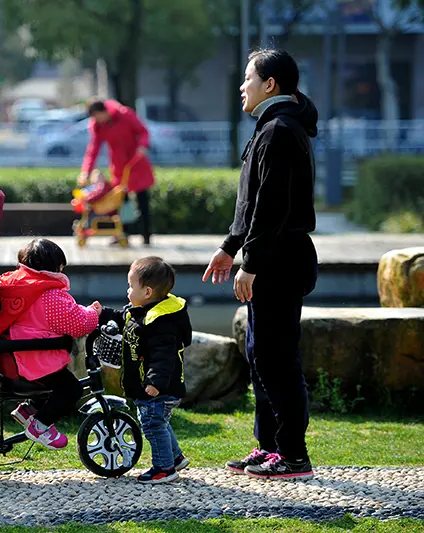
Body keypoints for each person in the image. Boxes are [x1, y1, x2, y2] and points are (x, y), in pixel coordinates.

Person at [202, 48, 319, 480]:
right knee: (261, 355)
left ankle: (292, 454)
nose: (241, 86)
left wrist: (249, 262)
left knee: (276, 359)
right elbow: (251, 203)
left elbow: (272, 209)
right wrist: (230, 246)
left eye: (248, 78)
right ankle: (269, 447)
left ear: (270, 84)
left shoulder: (280, 131)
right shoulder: (272, 127)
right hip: (269, 257)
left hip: (279, 261)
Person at [0, 239, 101, 449]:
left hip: (9, 362)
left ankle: (28, 411)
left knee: (55, 385)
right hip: (33, 361)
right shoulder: (49, 295)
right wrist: (93, 313)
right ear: (54, 267)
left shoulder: (14, 289)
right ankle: (39, 426)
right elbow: (78, 324)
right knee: (71, 389)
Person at [100, 257, 192, 483]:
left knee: (152, 425)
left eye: (131, 286)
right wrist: (101, 313)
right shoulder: (142, 311)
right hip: (147, 385)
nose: (128, 290)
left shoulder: (161, 322)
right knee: (159, 422)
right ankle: (175, 457)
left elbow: (164, 356)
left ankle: (164, 468)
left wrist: (155, 383)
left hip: (159, 387)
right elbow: (124, 319)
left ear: (148, 291)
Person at [78, 99, 156, 245]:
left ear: (103, 111)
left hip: (136, 161)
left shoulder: (124, 114)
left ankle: (146, 234)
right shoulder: (97, 125)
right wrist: (86, 171)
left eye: (97, 116)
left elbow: (143, 131)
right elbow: (93, 149)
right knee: (120, 200)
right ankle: (122, 233)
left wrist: (143, 146)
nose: (97, 120)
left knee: (142, 199)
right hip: (119, 165)